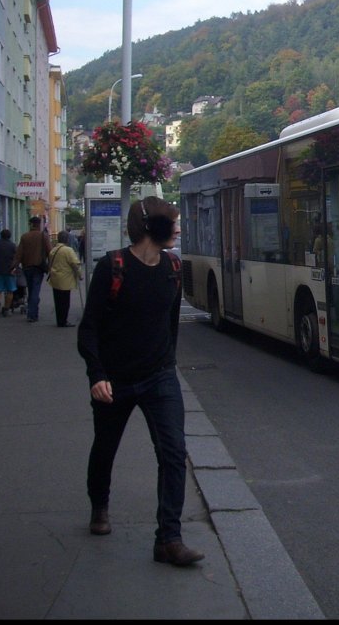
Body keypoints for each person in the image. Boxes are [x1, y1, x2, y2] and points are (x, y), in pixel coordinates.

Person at [77, 196, 204, 567]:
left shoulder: (174, 267)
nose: (178, 228)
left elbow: (169, 324)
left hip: (159, 377)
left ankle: (169, 539)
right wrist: (97, 375)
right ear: (149, 226)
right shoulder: (112, 268)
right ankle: (99, 506)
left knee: (173, 452)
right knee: (105, 448)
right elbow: (89, 330)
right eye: (172, 223)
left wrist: (168, 364)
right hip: (115, 380)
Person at [14, 216, 51, 323]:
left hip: (27, 267)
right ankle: (32, 314)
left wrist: (14, 266)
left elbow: (19, 253)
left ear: (31, 224)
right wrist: (51, 266)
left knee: (31, 290)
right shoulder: (43, 236)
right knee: (35, 291)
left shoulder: (25, 236)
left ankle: (33, 313)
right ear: (39, 224)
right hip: (38, 267)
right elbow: (50, 251)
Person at [47, 230, 83, 327]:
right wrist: (80, 275)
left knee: (58, 301)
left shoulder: (53, 250)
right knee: (65, 302)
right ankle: (63, 321)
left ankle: (60, 320)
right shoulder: (68, 250)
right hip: (65, 280)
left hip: (55, 279)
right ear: (67, 239)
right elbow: (74, 264)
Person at [0, 228, 18, 317]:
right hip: (9, 271)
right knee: (10, 290)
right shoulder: (13, 246)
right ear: (9, 236)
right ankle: (6, 308)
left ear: (1, 235)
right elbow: (16, 258)